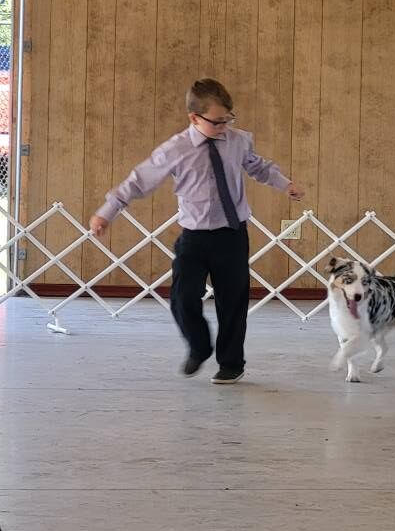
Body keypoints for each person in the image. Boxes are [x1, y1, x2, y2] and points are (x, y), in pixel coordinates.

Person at [89, 78, 304, 384]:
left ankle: (231, 364)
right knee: (182, 299)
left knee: (233, 303)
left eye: (228, 119)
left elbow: (258, 166)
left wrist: (286, 184)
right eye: (217, 121)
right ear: (194, 117)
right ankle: (199, 346)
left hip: (232, 234)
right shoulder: (175, 149)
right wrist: (107, 212)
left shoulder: (239, 140)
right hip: (194, 237)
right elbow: (138, 180)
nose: (224, 126)